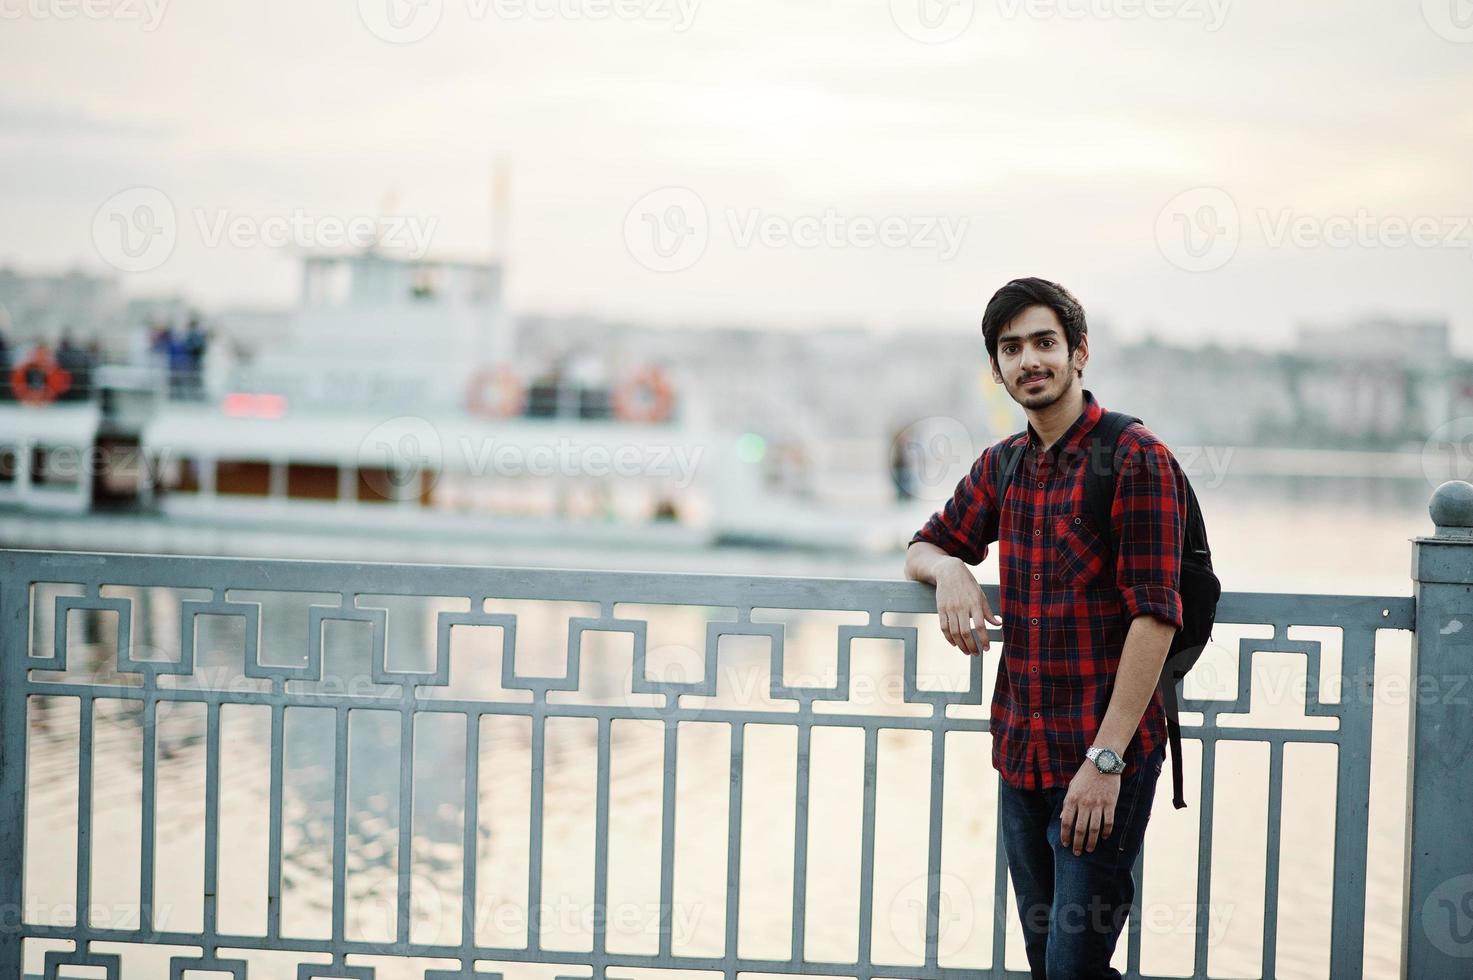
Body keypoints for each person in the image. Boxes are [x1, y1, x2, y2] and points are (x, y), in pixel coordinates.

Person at [903, 277, 1187, 979]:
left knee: (1071, 965)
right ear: (996, 366)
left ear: (1077, 352)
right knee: (1049, 964)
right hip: (1020, 753)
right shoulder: (1004, 465)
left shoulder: (1133, 458)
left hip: (1101, 754)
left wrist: (1106, 761)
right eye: (1010, 348)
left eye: (1043, 343)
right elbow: (922, 544)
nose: (1028, 360)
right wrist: (950, 571)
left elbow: (1155, 614)